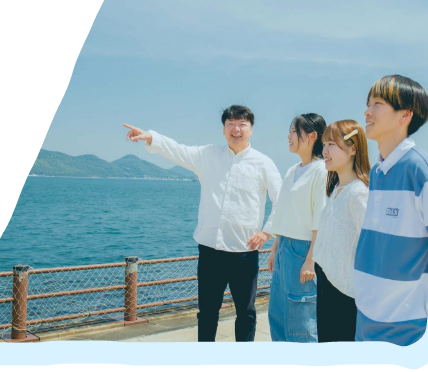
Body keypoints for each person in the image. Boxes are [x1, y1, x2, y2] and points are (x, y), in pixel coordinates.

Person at [123, 105, 282, 342]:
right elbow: (177, 150)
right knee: (207, 312)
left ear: (251, 129)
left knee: (246, 313)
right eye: (230, 124)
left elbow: (281, 200)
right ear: (223, 129)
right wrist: (151, 137)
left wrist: (267, 232)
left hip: (244, 252)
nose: (236, 129)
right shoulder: (208, 155)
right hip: (210, 251)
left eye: (242, 124)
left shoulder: (263, 163)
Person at [354, 75, 428, 346]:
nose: (367, 111)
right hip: (366, 324)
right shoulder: (377, 171)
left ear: (405, 115)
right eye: (368, 103)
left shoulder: (420, 170)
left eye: (378, 103)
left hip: (408, 333)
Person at [262, 114, 327, 343]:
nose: (288, 136)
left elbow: (320, 219)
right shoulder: (292, 170)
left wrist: (310, 260)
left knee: (300, 320)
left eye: (293, 131)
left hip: (303, 249)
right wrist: (274, 249)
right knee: (278, 314)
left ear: (312, 136)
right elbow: (284, 214)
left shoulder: (321, 170)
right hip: (284, 247)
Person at [312, 120, 370, 342]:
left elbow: (371, 247)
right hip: (327, 285)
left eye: (331, 144)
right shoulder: (336, 188)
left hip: (346, 294)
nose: (324, 151)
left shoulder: (358, 194)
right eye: (324, 144)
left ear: (353, 148)